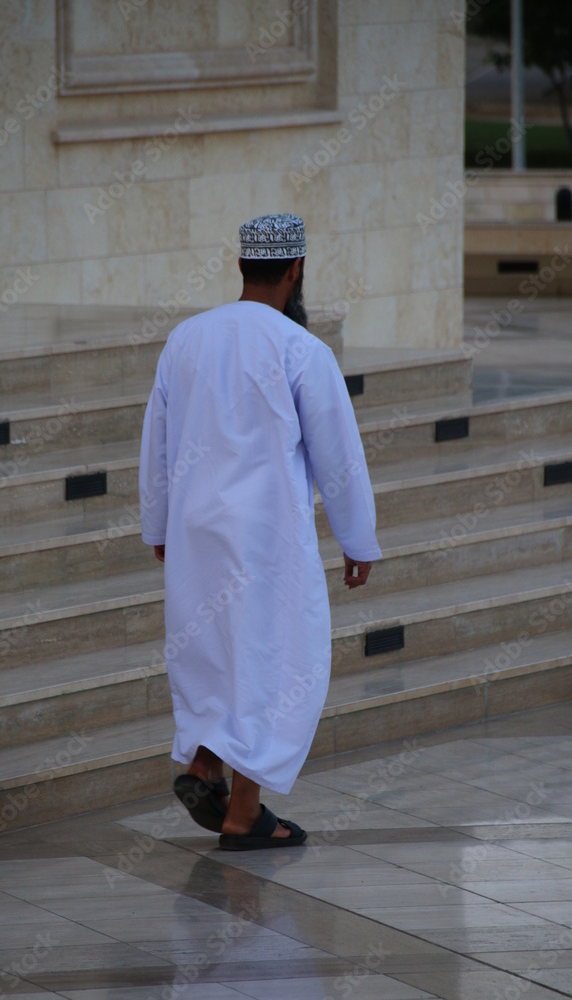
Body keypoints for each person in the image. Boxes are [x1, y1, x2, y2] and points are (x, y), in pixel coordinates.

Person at [139, 213, 381, 850]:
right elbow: (340, 458)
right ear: (296, 269)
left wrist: (158, 525)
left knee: (215, 652)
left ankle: (203, 765)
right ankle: (245, 814)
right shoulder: (301, 350)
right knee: (276, 663)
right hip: (267, 540)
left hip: (198, 532)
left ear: (242, 266)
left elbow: (157, 447)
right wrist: (358, 540)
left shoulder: (185, 339)